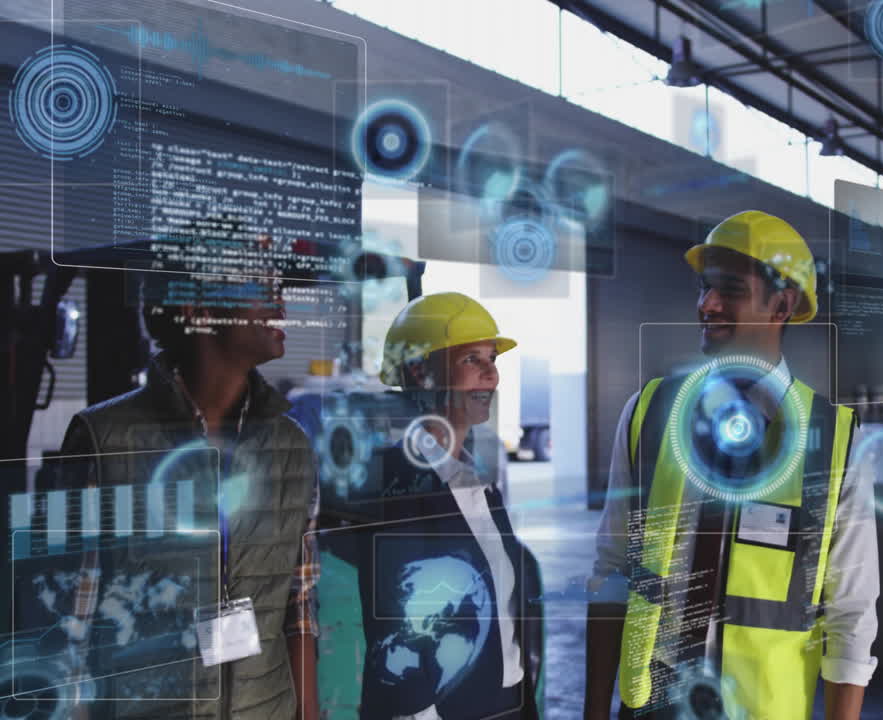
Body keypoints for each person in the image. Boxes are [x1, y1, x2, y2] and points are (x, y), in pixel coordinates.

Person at [584, 210, 880, 720]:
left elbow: (850, 618)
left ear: (781, 305)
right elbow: (612, 571)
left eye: (730, 290)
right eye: (703, 288)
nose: (708, 304)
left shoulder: (835, 441)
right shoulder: (648, 414)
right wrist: (593, 713)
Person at [59, 265, 319, 720]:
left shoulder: (290, 445)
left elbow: (299, 603)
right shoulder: (104, 440)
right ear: (196, 307)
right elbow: (69, 623)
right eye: (260, 288)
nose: (281, 305)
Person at [354, 291, 542, 720]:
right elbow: (399, 632)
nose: (491, 375)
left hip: (505, 700)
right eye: (471, 360)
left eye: (492, 359)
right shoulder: (396, 482)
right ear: (420, 373)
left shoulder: (476, 478)